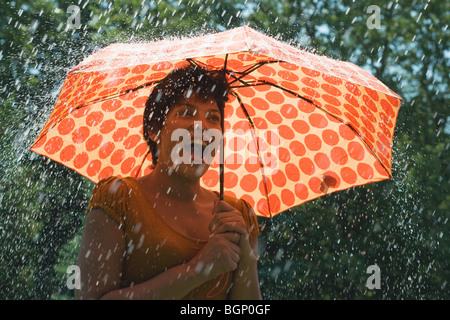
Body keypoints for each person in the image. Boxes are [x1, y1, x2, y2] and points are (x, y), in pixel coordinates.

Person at [75, 65, 261, 300]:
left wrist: (244, 251)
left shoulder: (238, 215)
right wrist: (195, 271)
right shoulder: (118, 198)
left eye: (213, 117)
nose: (202, 126)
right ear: (154, 129)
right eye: (186, 113)